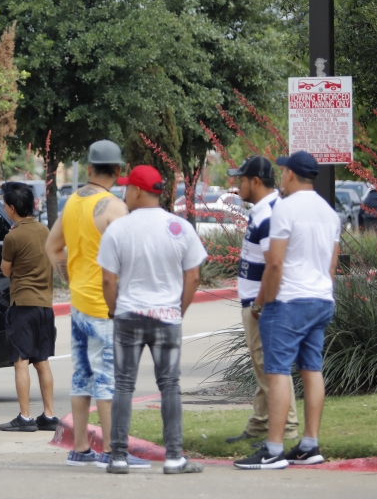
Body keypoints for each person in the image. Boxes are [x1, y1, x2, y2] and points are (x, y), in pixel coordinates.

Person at [98, 165, 207, 475]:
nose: (123, 193)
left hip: (129, 316)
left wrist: (114, 309)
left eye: (126, 188)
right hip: (166, 317)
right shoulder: (180, 227)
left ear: (136, 191)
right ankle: (174, 456)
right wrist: (178, 310)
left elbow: (108, 280)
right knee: (170, 385)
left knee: (123, 385)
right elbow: (194, 276)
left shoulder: (118, 229)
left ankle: (118, 456)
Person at [46, 140, 149, 469]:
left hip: (79, 302)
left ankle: (80, 449)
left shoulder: (72, 202)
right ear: (119, 172)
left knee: (83, 375)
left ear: (89, 168)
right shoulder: (115, 208)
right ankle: (111, 449)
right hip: (106, 305)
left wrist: (69, 278)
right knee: (108, 378)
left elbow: (53, 246)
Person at [234, 151, 340, 470]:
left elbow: (275, 263)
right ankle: (309, 444)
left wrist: (263, 302)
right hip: (320, 298)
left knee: (277, 370)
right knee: (312, 368)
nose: (281, 176)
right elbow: (331, 264)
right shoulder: (329, 212)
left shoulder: (285, 209)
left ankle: (273, 449)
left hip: (288, 300)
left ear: (291, 174)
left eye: (283, 171)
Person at [224, 156, 300, 446]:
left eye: (241, 179)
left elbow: (273, 264)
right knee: (263, 366)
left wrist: (258, 304)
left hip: (263, 305)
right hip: (257, 302)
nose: (237, 184)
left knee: (270, 366)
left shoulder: (268, 215)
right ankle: (259, 424)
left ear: (255, 181)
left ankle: (289, 427)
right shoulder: (263, 210)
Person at [0, 181, 59, 433]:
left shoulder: (12, 236)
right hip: (45, 306)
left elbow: (5, 269)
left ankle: (24, 417)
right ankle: (49, 415)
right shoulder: (46, 231)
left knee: (20, 361)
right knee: (42, 361)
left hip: (22, 304)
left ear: (12, 208)